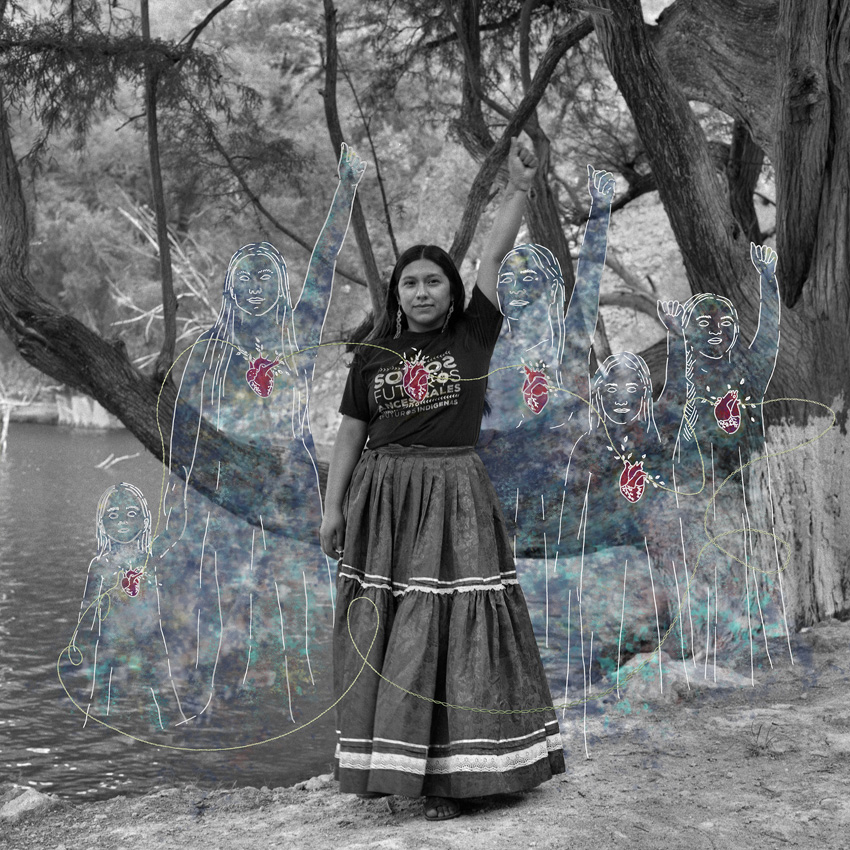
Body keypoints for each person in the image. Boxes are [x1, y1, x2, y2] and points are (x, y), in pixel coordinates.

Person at [320, 139, 565, 821]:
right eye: (411, 283)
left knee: (457, 629)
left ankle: (463, 779)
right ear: (396, 295)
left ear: (452, 292)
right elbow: (349, 432)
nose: (423, 291)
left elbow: (493, 253)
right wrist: (333, 508)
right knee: (394, 629)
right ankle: (401, 770)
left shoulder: (472, 338)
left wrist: (519, 188)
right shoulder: (373, 354)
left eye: (434, 281)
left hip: (455, 497)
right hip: (384, 501)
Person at [155, 144, 366, 724]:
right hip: (229, 492)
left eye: (266, 276)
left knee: (299, 599)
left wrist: (346, 190)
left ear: (280, 288)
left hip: (292, 486)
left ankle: (316, 702)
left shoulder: (296, 335)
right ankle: (214, 701)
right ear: (230, 287)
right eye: (244, 276)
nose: (255, 285)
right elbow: (189, 429)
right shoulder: (209, 350)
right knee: (222, 596)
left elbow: (323, 264)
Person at [656, 243, 789, 668]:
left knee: (746, 557)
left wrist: (768, 282)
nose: (714, 328)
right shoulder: (688, 373)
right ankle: (707, 636)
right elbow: (673, 398)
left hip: (746, 485)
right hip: (699, 488)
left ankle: (754, 634)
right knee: (705, 561)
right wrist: (678, 337)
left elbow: (769, 335)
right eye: (702, 321)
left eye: (724, 321)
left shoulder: (749, 370)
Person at [67, 483, 171, 729]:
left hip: (149, 644)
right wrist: (79, 646)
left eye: (132, 514)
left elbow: (165, 608)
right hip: (111, 645)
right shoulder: (100, 565)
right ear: (102, 523)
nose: (123, 521)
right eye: (113, 516)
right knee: (104, 704)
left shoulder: (152, 563)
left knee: (155, 702)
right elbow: (88, 612)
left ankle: (159, 732)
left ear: (145, 521)